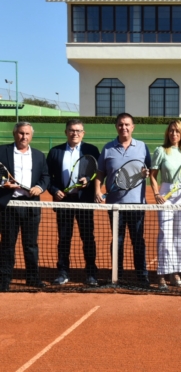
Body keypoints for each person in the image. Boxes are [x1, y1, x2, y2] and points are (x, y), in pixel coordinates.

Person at [95, 113, 151, 287]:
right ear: (116, 127)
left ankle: (142, 277)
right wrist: (97, 189)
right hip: (115, 205)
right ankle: (116, 276)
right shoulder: (108, 148)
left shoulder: (142, 147)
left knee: (137, 240)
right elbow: (100, 173)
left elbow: (148, 171)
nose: (124, 127)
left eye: (127, 124)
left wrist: (146, 174)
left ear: (133, 127)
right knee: (117, 241)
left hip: (136, 203)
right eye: (120, 124)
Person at [47, 119, 101, 286]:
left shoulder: (91, 150)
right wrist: (55, 190)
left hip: (84, 202)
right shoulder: (55, 152)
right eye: (71, 130)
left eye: (78, 130)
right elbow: (47, 177)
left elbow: (98, 174)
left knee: (87, 238)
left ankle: (91, 273)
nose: (75, 133)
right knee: (64, 238)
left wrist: (89, 183)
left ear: (83, 133)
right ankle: (63, 272)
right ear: (66, 132)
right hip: (64, 202)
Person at [0, 122, 50, 292]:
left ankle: (33, 279)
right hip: (9, 206)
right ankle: (4, 280)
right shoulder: (2, 151)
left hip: (30, 206)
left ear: (31, 136)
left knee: (31, 245)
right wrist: (3, 184)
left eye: (27, 134)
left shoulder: (38, 155)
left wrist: (40, 188)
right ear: (15, 134)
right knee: (7, 244)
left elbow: (45, 176)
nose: (24, 137)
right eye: (21, 133)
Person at [150, 120, 181, 291]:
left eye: (177, 131)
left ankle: (175, 273)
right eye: (171, 131)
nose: (174, 134)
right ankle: (162, 273)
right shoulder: (161, 151)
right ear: (167, 133)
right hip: (166, 193)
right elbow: (152, 175)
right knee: (165, 234)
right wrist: (156, 193)